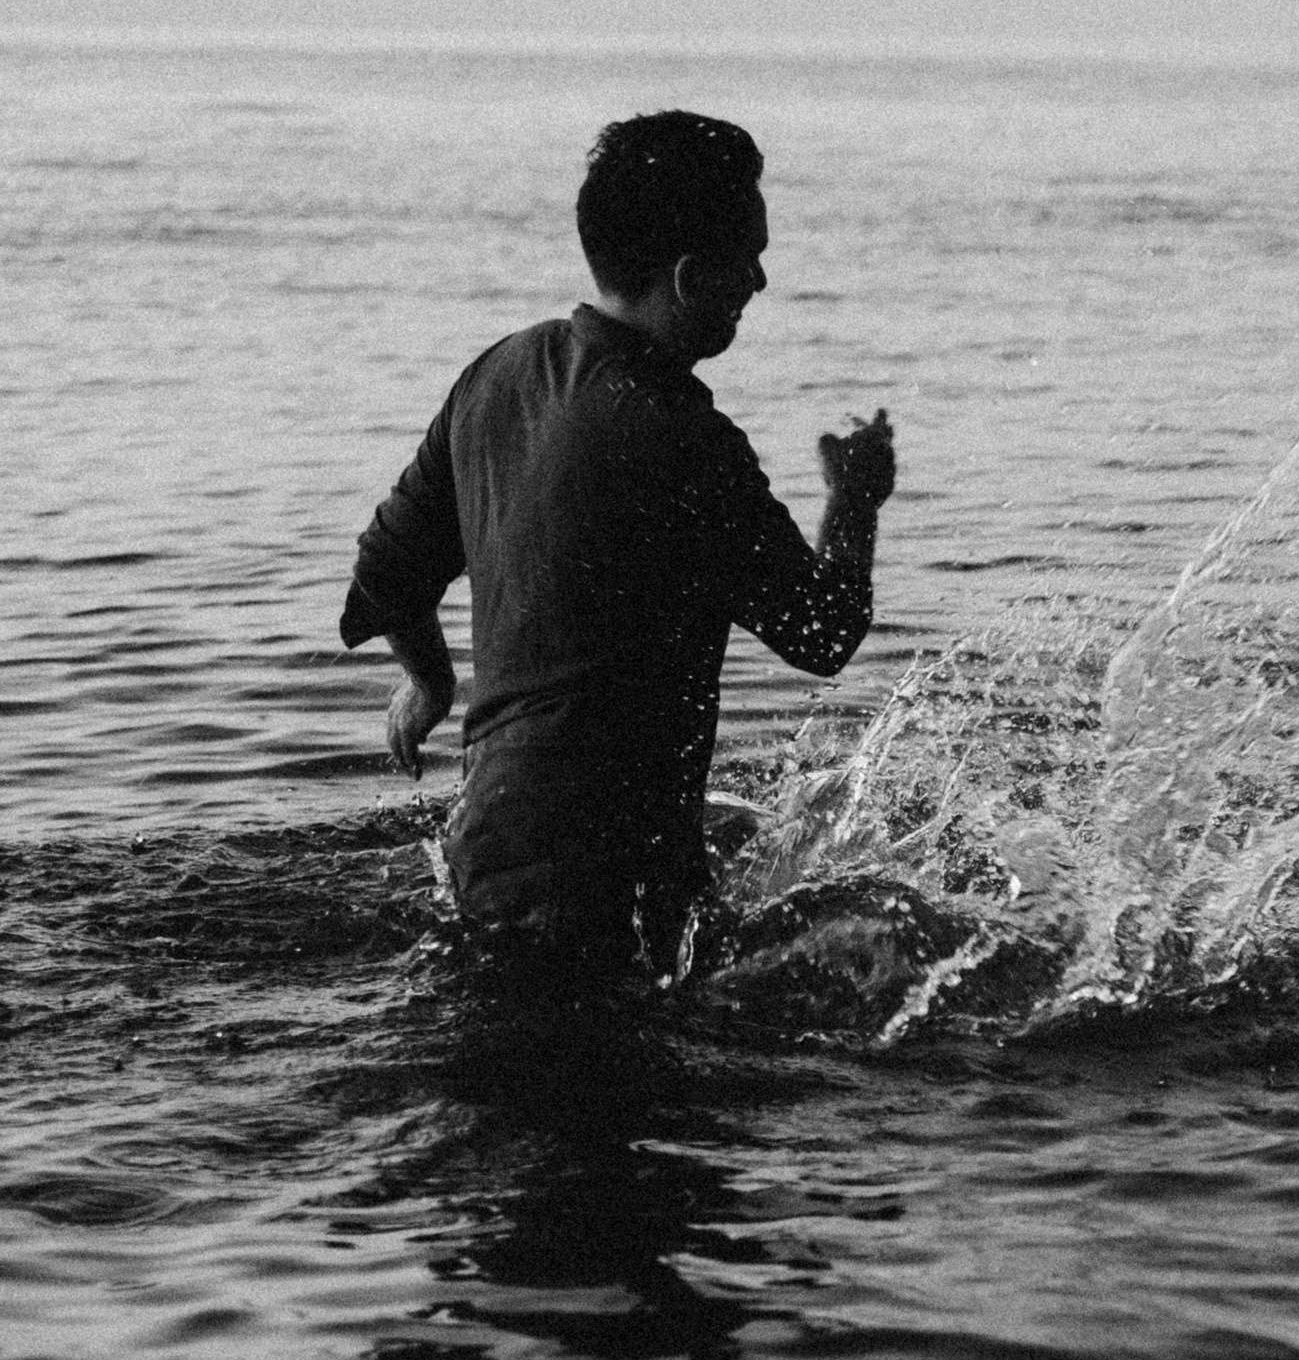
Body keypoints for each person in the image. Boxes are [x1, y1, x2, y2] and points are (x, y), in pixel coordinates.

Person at [338, 110, 895, 977]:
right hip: (608, 889)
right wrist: (855, 501)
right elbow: (823, 634)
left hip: (483, 849)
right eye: (748, 254)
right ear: (686, 276)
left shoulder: (496, 375)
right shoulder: (683, 437)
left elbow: (385, 570)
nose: (760, 279)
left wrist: (428, 684)